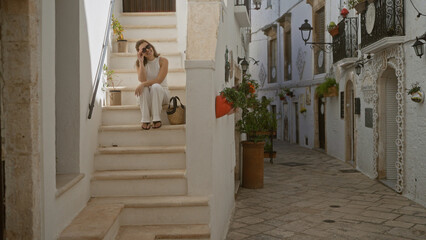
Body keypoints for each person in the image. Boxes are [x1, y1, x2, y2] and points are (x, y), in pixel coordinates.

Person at [134, 39, 169, 130]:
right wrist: (141, 62)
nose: (148, 50)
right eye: (144, 50)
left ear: (151, 46)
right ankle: (145, 119)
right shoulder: (139, 64)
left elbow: (159, 80)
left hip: (161, 93)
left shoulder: (163, 61)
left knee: (155, 86)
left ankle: (156, 119)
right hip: (147, 95)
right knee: (144, 89)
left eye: (148, 46)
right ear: (140, 53)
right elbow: (142, 80)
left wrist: (142, 84)